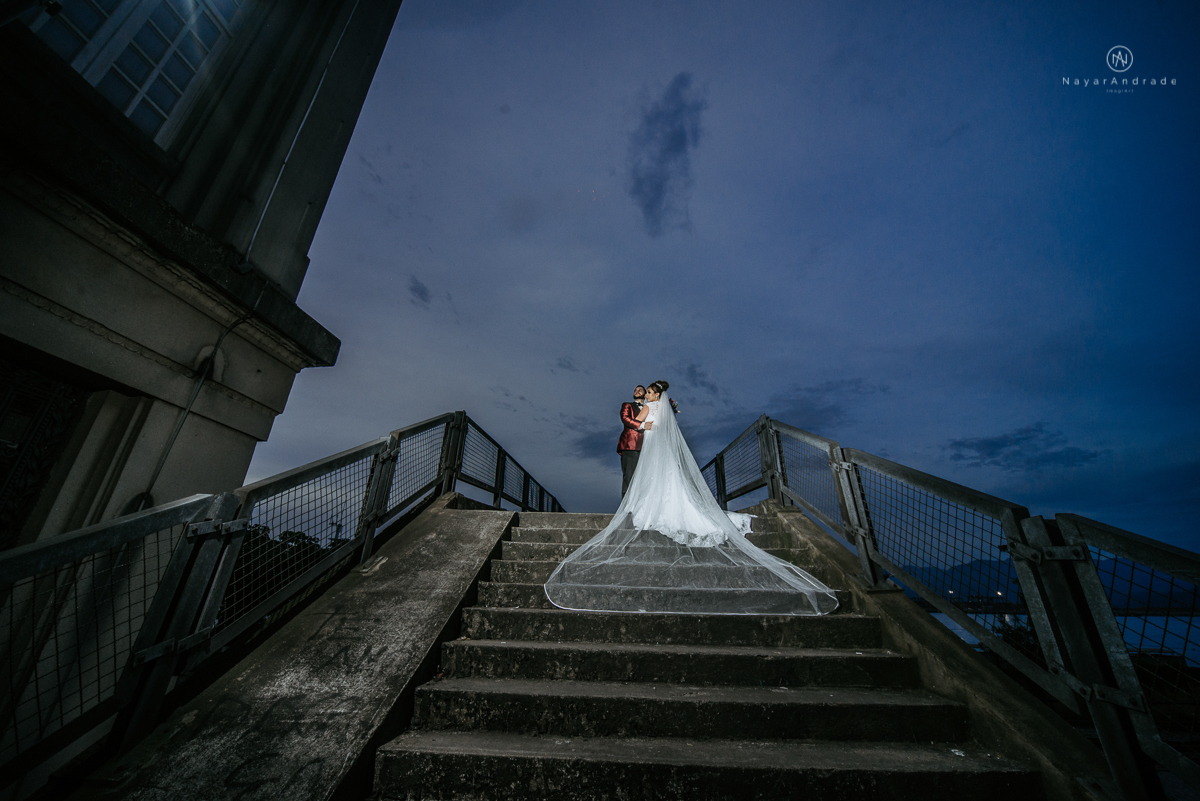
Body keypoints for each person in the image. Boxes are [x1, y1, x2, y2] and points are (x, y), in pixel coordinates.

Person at [545, 380, 839, 616]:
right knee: (669, 480)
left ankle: (645, 507)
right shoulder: (663, 409)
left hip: (651, 451)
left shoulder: (649, 407)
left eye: (649, 392)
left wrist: (644, 419)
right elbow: (644, 423)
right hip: (660, 451)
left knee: (650, 481)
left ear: (654, 395)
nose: (646, 395)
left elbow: (640, 421)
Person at [617, 385, 651, 497]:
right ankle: (626, 506)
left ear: (645, 394)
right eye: (635, 390)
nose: (637, 391)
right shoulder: (627, 405)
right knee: (629, 477)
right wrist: (642, 425)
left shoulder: (650, 408)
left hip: (648, 447)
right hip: (630, 445)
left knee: (646, 478)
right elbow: (625, 419)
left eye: (640, 390)